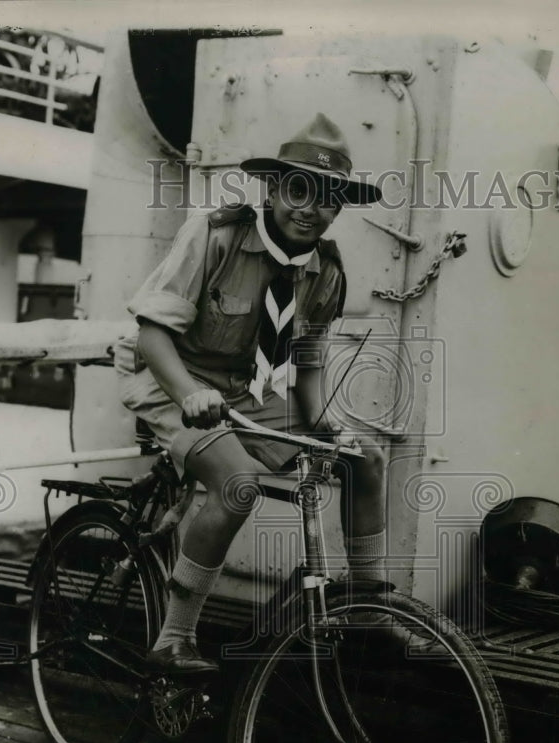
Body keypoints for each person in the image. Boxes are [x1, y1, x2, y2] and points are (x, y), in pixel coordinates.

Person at [115, 113, 386, 676]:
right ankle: (174, 638)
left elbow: (307, 358)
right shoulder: (214, 233)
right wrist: (189, 393)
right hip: (171, 377)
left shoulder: (326, 269)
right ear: (271, 188)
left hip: (245, 390)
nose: (311, 209)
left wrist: (322, 424)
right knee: (238, 484)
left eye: (329, 198)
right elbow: (153, 332)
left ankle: (369, 609)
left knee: (365, 458)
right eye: (298, 190)